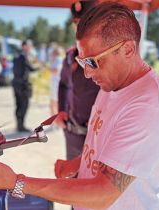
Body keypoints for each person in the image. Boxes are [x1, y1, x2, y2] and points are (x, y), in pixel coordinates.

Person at [0, 2, 159, 210]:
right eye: (83, 62)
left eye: (93, 62)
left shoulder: (148, 107)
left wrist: (15, 182)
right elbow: (103, 143)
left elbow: (103, 195)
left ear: (128, 49)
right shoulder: (112, 84)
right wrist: (79, 163)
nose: (87, 73)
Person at [56, 0, 100, 161]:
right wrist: (61, 110)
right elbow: (63, 84)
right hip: (72, 133)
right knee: (71, 180)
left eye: (84, 21)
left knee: (92, 184)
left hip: (98, 136)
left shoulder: (108, 57)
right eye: (76, 22)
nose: (78, 26)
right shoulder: (70, 56)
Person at [12, 40, 38, 132]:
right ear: (24, 46)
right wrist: (39, 67)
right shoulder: (23, 56)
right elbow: (30, 68)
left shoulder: (16, 55)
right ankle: (21, 126)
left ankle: (19, 125)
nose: (30, 48)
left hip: (16, 83)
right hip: (23, 84)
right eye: (29, 46)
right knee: (24, 105)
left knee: (18, 105)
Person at [49, 47, 63, 117]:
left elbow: (56, 70)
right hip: (55, 83)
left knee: (54, 104)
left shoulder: (58, 59)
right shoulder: (57, 59)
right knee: (53, 103)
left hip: (56, 83)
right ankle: (55, 122)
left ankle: (56, 121)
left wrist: (47, 68)